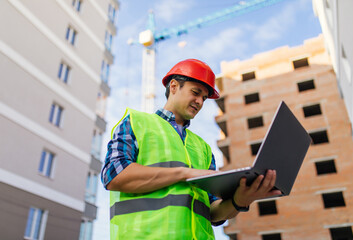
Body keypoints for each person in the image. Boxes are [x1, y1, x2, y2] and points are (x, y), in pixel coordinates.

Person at [101, 59, 281, 240]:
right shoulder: (136, 122)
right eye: (195, 92)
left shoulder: (202, 148)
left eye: (204, 98)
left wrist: (239, 201)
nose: (200, 101)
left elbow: (212, 211)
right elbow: (114, 174)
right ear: (173, 86)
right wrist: (184, 173)